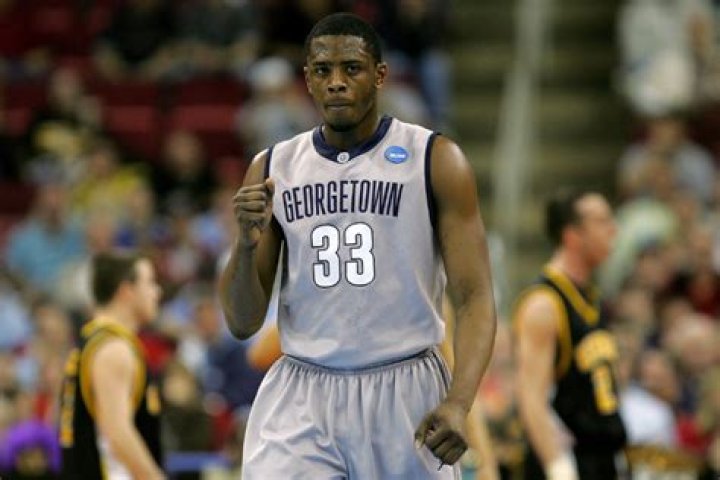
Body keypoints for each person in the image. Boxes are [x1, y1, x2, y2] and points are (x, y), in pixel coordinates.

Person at [219, 12, 497, 479]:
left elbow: (475, 297)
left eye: (351, 68)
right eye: (322, 70)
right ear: (307, 79)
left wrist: (459, 402)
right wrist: (245, 248)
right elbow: (242, 322)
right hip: (303, 390)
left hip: (404, 388)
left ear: (380, 75)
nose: (336, 82)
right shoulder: (272, 168)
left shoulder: (435, 159)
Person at [513, 189, 627, 480]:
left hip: (601, 459)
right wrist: (557, 466)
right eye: (602, 221)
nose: (613, 229)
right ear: (572, 235)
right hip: (569, 461)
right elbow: (531, 397)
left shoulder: (591, 296)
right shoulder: (544, 303)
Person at [58, 252, 165, 479]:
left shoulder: (91, 340)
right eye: (150, 282)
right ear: (126, 291)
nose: (157, 292)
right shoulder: (113, 349)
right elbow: (117, 434)